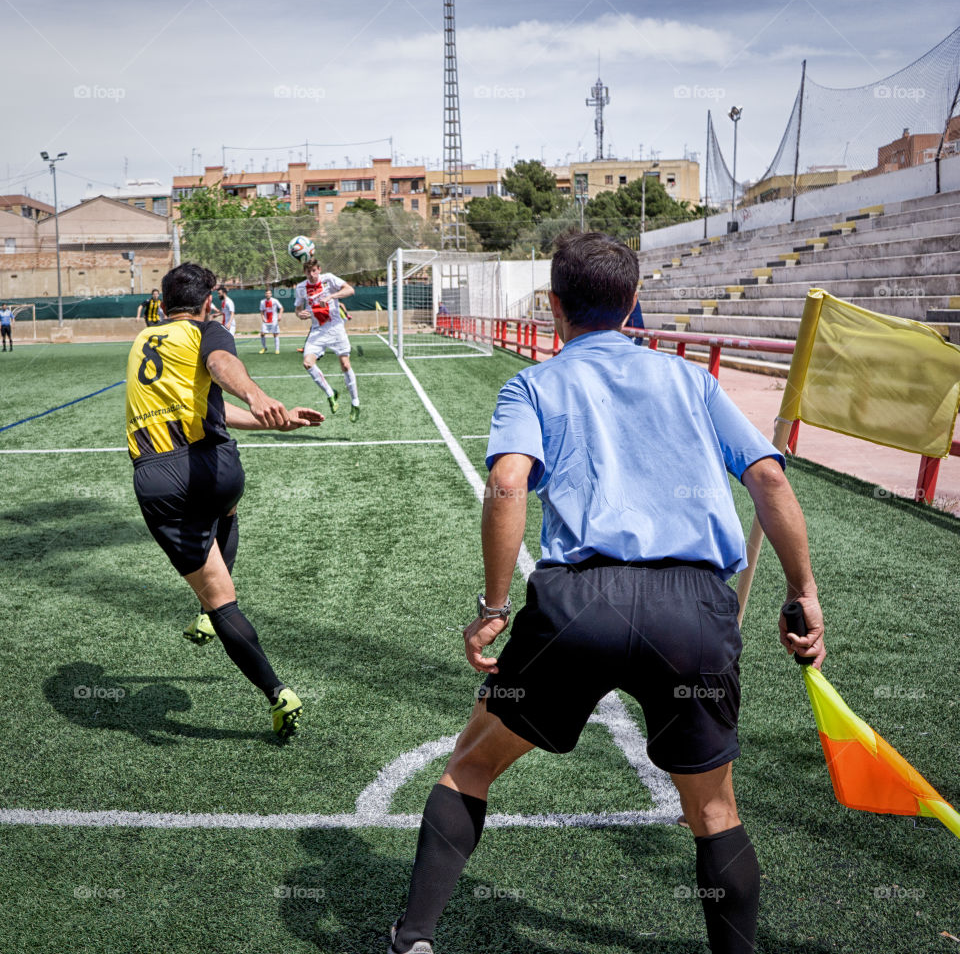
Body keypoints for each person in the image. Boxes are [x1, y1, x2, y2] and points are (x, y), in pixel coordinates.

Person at [387, 232, 826, 954]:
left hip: (577, 609)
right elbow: (770, 479)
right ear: (633, 304)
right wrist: (803, 590)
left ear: (554, 307)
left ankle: (414, 938)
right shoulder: (691, 380)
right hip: (693, 608)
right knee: (714, 811)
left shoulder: (535, 383)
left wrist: (496, 608)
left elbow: (506, 484)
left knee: (471, 763)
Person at [125, 262, 325, 739]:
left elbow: (211, 398)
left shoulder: (141, 341)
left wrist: (271, 416)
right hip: (215, 469)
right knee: (225, 506)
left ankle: (277, 691)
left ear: (162, 302)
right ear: (209, 303)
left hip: (158, 476)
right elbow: (221, 366)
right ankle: (223, 629)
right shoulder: (208, 331)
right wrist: (258, 395)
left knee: (221, 602)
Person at [295, 258, 360, 422]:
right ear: (305, 272)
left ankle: (355, 403)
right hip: (317, 331)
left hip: (335, 327)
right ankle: (331, 394)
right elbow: (297, 308)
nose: (311, 275)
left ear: (319, 269)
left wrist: (333, 296)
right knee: (307, 363)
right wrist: (299, 314)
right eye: (308, 272)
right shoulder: (301, 287)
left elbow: (350, 290)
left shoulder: (329, 279)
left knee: (345, 364)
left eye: (314, 271)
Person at [259, 288, 284, 354]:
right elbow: (261, 311)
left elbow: (281, 308)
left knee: (275, 334)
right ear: (265, 294)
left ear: (271, 294)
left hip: (274, 321)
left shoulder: (275, 301)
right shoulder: (262, 302)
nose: (268, 294)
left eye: (269, 293)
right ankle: (264, 348)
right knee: (262, 334)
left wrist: (280, 315)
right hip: (266, 321)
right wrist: (262, 317)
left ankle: (277, 349)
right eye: (267, 293)